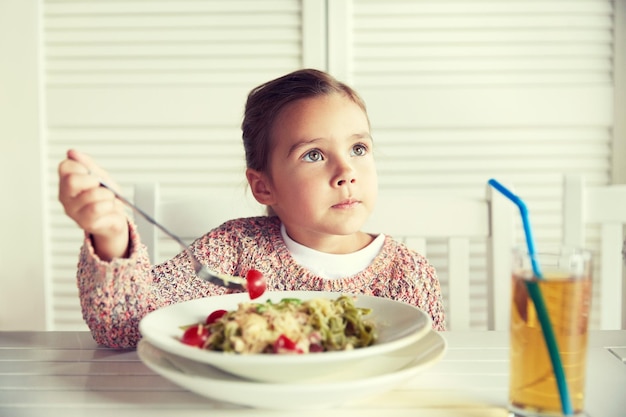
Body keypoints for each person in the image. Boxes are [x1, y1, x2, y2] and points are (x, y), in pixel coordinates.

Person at [58, 69, 446, 348]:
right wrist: (110, 235)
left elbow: (427, 364)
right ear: (264, 186)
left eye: (358, 149)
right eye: (314, 154)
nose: (346, 172)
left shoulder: (408, 274)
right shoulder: (234, 251)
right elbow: (122, 329)